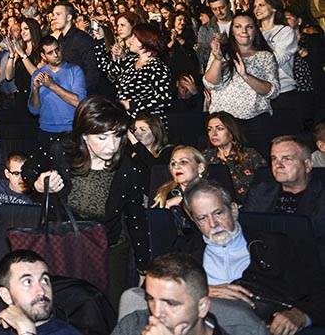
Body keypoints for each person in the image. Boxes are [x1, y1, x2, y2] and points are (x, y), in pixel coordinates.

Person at [27, 95, 149, 305]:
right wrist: (39, 182)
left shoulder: (128, 169)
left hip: (109, 251)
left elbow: (136, 219)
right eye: (102, 138)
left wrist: (144, 267)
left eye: (117, 136)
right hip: (65, 248)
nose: (111, 146)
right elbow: (29, 168)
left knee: (103, 312)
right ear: (84, 135)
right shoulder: (62, 150)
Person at [181, 180, 325, 334]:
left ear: (234, 210)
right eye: (202, 218)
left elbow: (319, 291)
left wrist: (301, 315)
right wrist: (202, 291)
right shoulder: (184, 254)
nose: (213, 224)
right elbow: (160, 296)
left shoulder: (277, 246)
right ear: (195, 222)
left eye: (218, 213)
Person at [202, 13, 280, 151]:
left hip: (255, 122)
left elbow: (272, 91)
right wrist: (218, 60)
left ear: (255, 30)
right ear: (232, 31)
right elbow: (210, 84)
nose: (243, 31)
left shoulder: (265, 56)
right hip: (223, 123)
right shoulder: (221, 53)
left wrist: (245, 76)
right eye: (238, 26)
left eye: (249, 27)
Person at [112, 253, 232, 335]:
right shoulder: (133, 324)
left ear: (202, 307)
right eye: (151, 299)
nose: (157, 313)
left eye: (170, 303)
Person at [0, 249, 81, 335]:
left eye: (44, 280)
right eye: (28, 282)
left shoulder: (67, 332)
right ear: (6, 295)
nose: (41, 291)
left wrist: (26, 331)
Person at [244, 135, 325, 243]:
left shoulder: (321, 195)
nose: (278, 165)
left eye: (286, 159)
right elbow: (247, 230)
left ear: (308, 165)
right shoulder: (261, 191)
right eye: (274, 159)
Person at [28, 35, 87, 171]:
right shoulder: (38, 74)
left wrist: (52, 85)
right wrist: (35, 90)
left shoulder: (75, 70)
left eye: (57, 50)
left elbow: (79, 102)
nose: (56, 54)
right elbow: (34, 110)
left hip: (70, 132)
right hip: (46, 132)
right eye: (50, 52)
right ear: (43, 56)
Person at [94, 22, 173, 121]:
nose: (130, 40)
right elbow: (104, 66)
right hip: (125, 121)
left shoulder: (158, 68)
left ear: (145, 40)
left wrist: (131, 105)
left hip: (146, 125)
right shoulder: (130, 61)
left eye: (134, 37)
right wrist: (100, 39)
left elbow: (164, 100)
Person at [201, 112, 267, 202]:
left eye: (219, 129)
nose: (213, 133)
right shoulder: (205, 156)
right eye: (209, 129)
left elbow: (265, 185)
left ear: (231, 132)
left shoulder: (250, 154)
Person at [254, 0, 299, 102]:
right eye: (254, 6)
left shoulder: (285, 31)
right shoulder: (253, 33)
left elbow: (277, 59)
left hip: (283, 89)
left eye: (261, 5)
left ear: (273, 8)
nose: (257, 9)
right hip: (260, 92)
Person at [50, 2, 100, 93]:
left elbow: (92, 72)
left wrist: (80, 95)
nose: (54, 18)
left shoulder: (82, 38)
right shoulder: (60, 39)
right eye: (53, 15)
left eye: (58, 14)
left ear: (69, 17)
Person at [0, 152, 32, 231]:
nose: (22, 178)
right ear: (7, 174)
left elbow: (23, 234)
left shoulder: (33, 196)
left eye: (25, 173)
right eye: (16, 173)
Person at [196, 0, 235, 69]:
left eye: (222, 7)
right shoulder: (205, 29)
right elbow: (202, 57)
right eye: (214, 9)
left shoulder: (241, 23)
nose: (219, 12)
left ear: (229, 5)